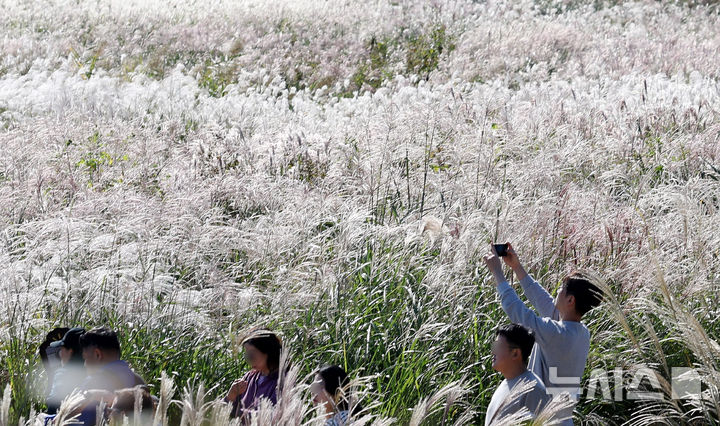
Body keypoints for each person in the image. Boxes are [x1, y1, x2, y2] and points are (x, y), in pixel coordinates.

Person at [484, 242, 603, 425]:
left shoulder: (556, 334)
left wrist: (498, 274)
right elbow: (544, 302)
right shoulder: (580, 333)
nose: (557, 291)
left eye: (562, 289)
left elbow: (517, 311)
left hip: (546, 421)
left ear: (570, 300)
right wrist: (517, 267)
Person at [74, 327, 146, 425]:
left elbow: (72, 421)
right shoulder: (138, 381)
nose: (85, 365)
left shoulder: (92, 383)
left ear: (97, 355)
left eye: (85, 358)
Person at [485, 324, 548, 425]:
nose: (493, 351)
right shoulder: (505, 384)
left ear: (515, 353)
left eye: (499, 346)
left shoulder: (533, 390)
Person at [224, 328, 283, 420]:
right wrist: (230, 396)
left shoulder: (282, 382)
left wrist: (239, 412)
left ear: (268, 351)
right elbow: (222, 412)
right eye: (247, 355)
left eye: (252, 355)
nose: (249, 359)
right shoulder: (249, 377)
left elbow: (271, 417)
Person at [45, 327, 87, 414]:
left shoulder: (62, 375)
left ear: (70, 352)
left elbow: (52, 409)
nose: (60, 354)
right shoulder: (93, 372)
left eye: (61, 349)